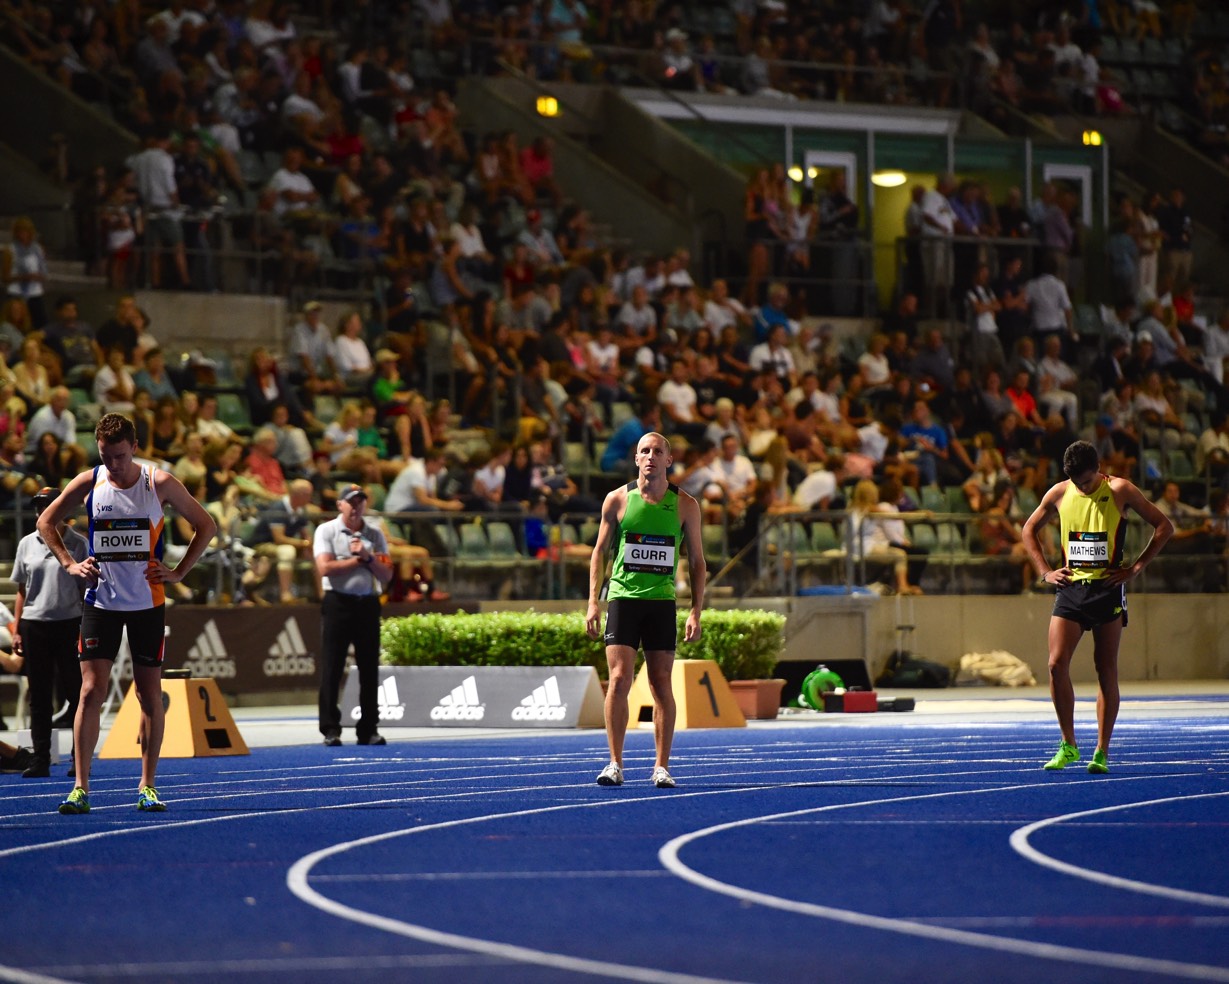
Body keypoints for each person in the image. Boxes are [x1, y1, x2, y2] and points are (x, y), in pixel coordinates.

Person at [38, 413, 217, 814]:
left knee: (148, 694)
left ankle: (148, 785)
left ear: (134, 447)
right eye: (105, 456)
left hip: (146, 604)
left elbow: (205, 525)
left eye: (119, 456)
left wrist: (179, 572)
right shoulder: (90, 481)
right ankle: (80, 787)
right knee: (90, 691)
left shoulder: (160, 483)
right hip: (101, 601)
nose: (113, 465)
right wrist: (69, 563)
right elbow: (46, 521)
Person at [1021, 440, 1173, 775]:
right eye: (1076, 482)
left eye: (1087, 482)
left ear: (1099, 471)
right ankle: (1068, 744)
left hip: (1107, 590)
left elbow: (1164, 527)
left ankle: (1102, 751)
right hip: (1071, 589)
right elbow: (1028, 529)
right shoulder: (1060, 492)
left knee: (1105, 671)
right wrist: (1045, 572)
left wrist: (1136, 568)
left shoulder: (1121, 490)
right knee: (1055, 664)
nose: (1081, 487)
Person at [585, 432, 705, 789]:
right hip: (623, 598)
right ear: (636, 459)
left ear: (669, 460)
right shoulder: (617, 500)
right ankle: (614, 763)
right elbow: (599, 552)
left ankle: (661, 766)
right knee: (619, 679)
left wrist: (697, 610)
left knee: (660, 684)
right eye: (644, 451)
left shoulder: (685, 505)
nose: (650, 456)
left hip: (661, 602)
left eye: (657, 451)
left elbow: (698, 561)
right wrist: (593, 600)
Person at [11, 487, 88, 778]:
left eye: (48, 505)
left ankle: (79, 759)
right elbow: (22, 590)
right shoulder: (27, 544)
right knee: (39, 695)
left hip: (68, 622)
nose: (42, 511)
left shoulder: (78, 544)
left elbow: (87, 589)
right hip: (35, 624)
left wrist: (85, 626)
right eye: (39, 506)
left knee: (76, 691)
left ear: (63, 509)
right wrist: (18, 629)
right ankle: (40, 758)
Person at [314, 484, 393, 748]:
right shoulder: (327, 530)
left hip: (367, 603)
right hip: (338, 603)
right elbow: (325, 567)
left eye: (360, 501)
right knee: (332, 667)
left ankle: (368, 729)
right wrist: (358, 560)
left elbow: (386, 574)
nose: (356, 506)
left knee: (369, 668)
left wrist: (368, 557)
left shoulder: (374, 533)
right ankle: (330, 729)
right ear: (340, 505)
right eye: (351, 502)